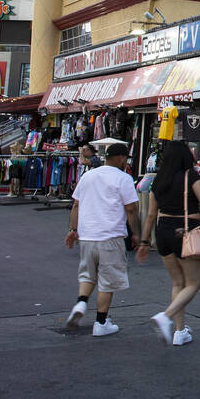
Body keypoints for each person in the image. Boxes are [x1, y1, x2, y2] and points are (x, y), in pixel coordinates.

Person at [137, 140, 200, 347]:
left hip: (163, 231)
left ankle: (180, 332)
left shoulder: (158, 180)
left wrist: (144, 242)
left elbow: (151, 215)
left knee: (177, 282)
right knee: (194, 283)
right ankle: (166, 316)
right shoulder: (191, 176)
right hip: (185, 232)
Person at [64, 143, 140, 337]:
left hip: (87, 235)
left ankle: (81, 303)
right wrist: (137, 234)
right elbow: (131, 209)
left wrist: (73, 229)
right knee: (107, 281)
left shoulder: (88, 175)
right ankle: (101, 322)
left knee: (88, 275)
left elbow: (76, 205)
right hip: (110, 236)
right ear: (121, 158)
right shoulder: (123, 178)